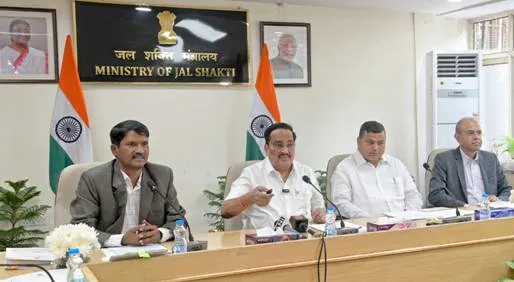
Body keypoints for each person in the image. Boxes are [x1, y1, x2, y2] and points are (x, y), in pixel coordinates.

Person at [70, 120, 186, 247]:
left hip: (152, 253)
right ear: (115, 150)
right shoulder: (93, 179)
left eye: (144, 144)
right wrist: (122, 239)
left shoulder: (162, 175)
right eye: (132, 144)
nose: (140, 151)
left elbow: (178, 219)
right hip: (108, 255)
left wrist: (161, 233)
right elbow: (82, 227)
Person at [221, 122, 326, 229]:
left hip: (303, 241)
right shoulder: (251, 173)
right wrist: (251, 198)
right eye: (278, 145)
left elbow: (319, 209)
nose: (285, 150)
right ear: (266, 148)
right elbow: (226, 209)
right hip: (264, 242)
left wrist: (321, 215)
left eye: (290, 145)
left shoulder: (306, 173)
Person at [330, 121, 422, 218]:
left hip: (403, 225)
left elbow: (413, 195)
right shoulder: (344, 169)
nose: (375, 148)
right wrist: (368, 219)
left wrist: (408, 216)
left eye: (380, 143)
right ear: (358, 142)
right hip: (367, 227)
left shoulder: (396, 164)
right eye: (370, 142)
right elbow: (341, 203)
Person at [428, 117, 511, 207]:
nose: (476, 137)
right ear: (457, 137)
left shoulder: (491, 158)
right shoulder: (444, 159)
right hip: (463, 213)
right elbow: (435, 194)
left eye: (479, 133)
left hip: (489, 212)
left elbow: (505, 189)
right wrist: (464, 206)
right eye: (470, 133)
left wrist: (499, 200)